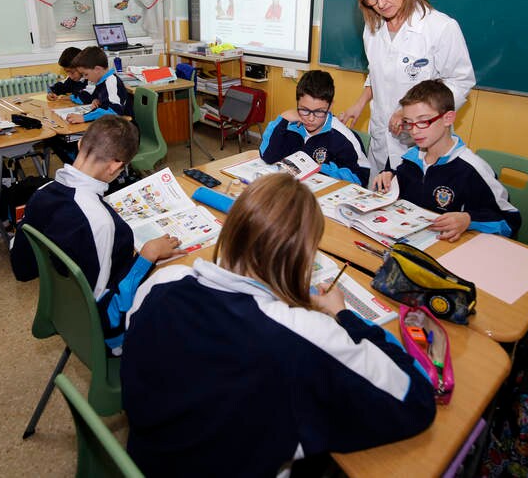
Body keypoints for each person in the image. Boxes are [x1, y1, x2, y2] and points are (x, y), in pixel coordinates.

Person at [121, 173, 436, 476]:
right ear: (301, 258)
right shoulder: (302, 333)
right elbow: (415, 400)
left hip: (147, 459)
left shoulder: (162, 282)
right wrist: (345, 316)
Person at [9, 116, 184, 353]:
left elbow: (22, 267)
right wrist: (147, 256)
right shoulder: (99, 222)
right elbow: (109, 313)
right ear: (114, 166)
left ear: (80, 144)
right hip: (107, 336)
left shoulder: (41, 193)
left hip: (62, 311)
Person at [341, 0, 475, 176]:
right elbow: (377, 72)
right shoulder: (373, 29)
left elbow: (460, 82)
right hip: (382, 139)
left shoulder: (440, 27)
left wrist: (411, 113)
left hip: (421, 143)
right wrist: (361, 101)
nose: (381, 4)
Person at [372, 80, 521, 242]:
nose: (414, 131)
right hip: (411, 241)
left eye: (423, 121)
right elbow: (405, 185)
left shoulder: (471, 169)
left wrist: (469, 219)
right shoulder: (411, 159)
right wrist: (388, 176)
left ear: (448, 118)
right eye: (408, 122)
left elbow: (510, 220)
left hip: (452, 249)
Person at [260, 70, 370, 185]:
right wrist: (282, 119)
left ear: (330, 106)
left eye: (319, 112)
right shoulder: (290, 126)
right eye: (304, 110)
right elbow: (267, 156)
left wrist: (317, 167)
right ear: (297, 103)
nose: (311, 118)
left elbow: (360, 178)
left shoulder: (342, 137)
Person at [65, 46, 133, 124]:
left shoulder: (111, 82)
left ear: (97, 69)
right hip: (111, 123)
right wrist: (98, 101)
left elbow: (114, 111)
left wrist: (84, 117)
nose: (85, 78)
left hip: (124, 127)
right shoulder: (101, 81)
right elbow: (106, 100)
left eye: (86, 74)